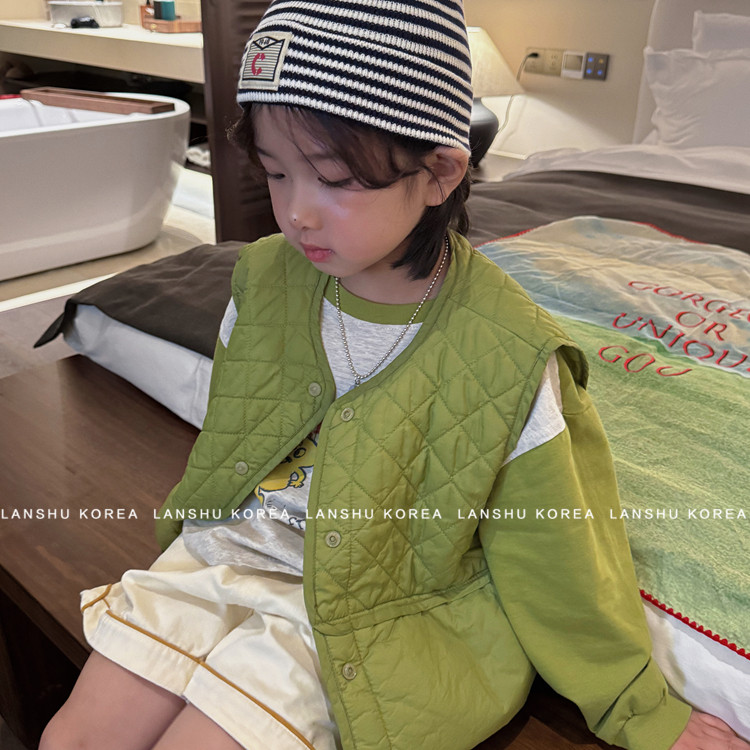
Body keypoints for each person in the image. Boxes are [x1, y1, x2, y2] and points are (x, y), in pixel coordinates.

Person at [41, 2, 749, 749]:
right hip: (222, 552)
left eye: (335, 180)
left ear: (440, 172)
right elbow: (236, 423)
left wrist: (639, 709)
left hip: (362, 610)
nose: (297, 214)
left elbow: (555, 551)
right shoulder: (262, 276)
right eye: (276, 173)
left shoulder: (508, 354)